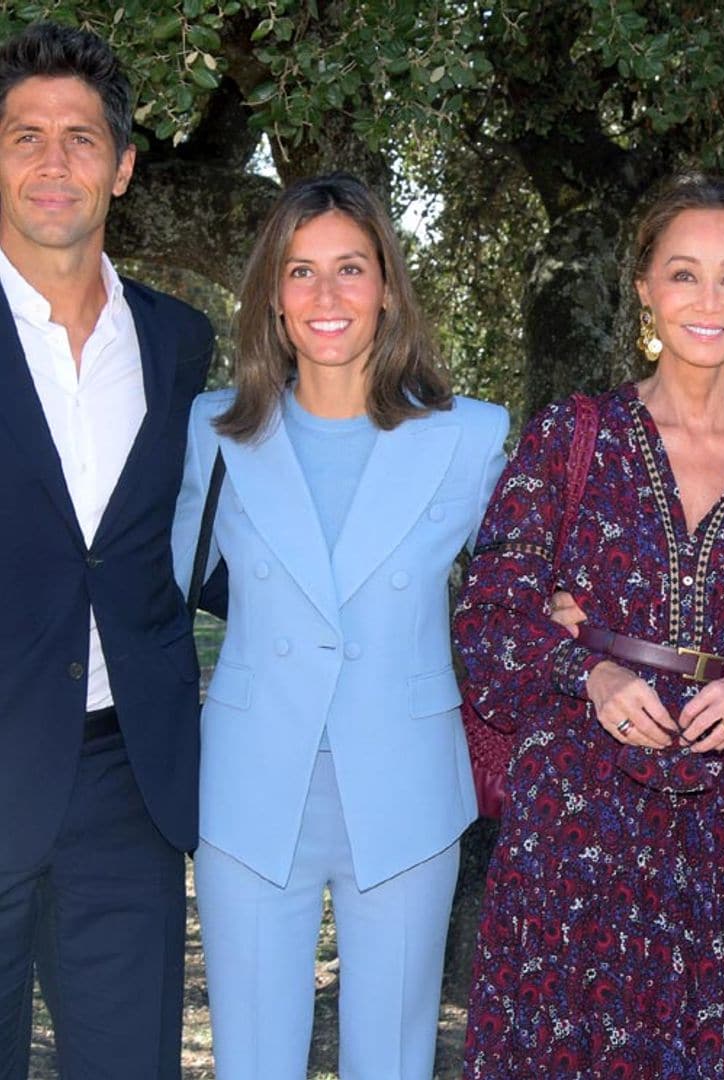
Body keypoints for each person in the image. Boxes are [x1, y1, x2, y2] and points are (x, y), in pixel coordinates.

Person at [453, 174, 724, 1077]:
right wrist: (590, 674)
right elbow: (490, 615)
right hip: (574, 820)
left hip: (723, 834)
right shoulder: (569, 435)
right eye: (684, 273)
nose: (708, 302)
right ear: (644, 286)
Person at [171, 172, 508, 1080]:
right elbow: (166, 588)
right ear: (273, 299)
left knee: (392, 1061)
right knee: (251, 1060)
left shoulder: (470, 438)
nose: (327, 296)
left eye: (350, 269)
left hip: (403, 786)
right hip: (250, 787)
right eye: (300, 271)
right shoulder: (210, 429)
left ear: (388, 286)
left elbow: (520, 603)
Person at [0, 22, 213, 1079]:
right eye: (25, 135)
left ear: (123, 166)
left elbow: (211, 541)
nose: (53, 162)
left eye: (81, 138)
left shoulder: (180, 343)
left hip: (128, 782)